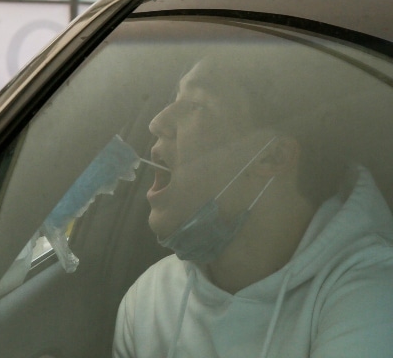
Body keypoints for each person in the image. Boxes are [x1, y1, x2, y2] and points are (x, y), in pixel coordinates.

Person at [113, 44, 393, 357]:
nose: (157, 122)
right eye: (174, 100)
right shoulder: (149, 300)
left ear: (273, 156)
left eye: (197, 105)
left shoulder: (374, 296)